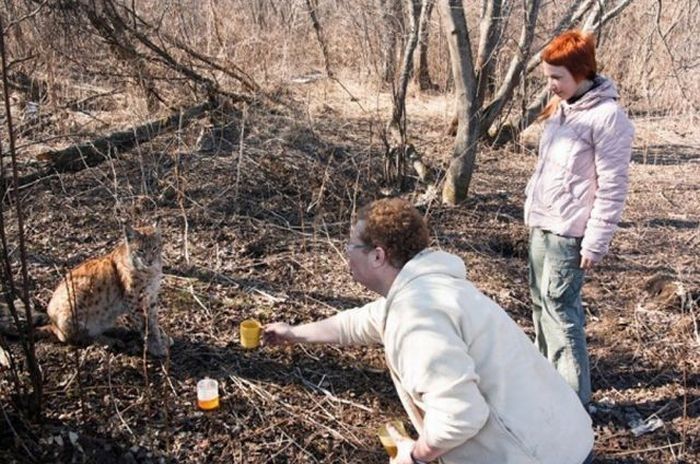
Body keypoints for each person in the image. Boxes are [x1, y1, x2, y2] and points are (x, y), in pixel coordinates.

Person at [264, 198, 594, 464]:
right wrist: (294, 333)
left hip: (535, 454)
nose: (346, 255)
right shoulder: (426, 290)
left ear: (378, 255)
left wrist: (416, 454)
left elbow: (462, 415)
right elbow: (359, 323)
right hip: (562, 436)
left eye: (351, 247)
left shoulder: (417, 315)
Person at [525, 30, 635, 406]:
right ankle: (547, 387)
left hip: (568, 234)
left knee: (561, 312)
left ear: (581, 72)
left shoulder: (608, 118)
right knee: (540, 305)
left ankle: (573, 403)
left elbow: (613, 186)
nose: (551, 86)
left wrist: (596, 240)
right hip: (542, 224)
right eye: (548, 77)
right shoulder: (564, 109)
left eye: (557, 77)